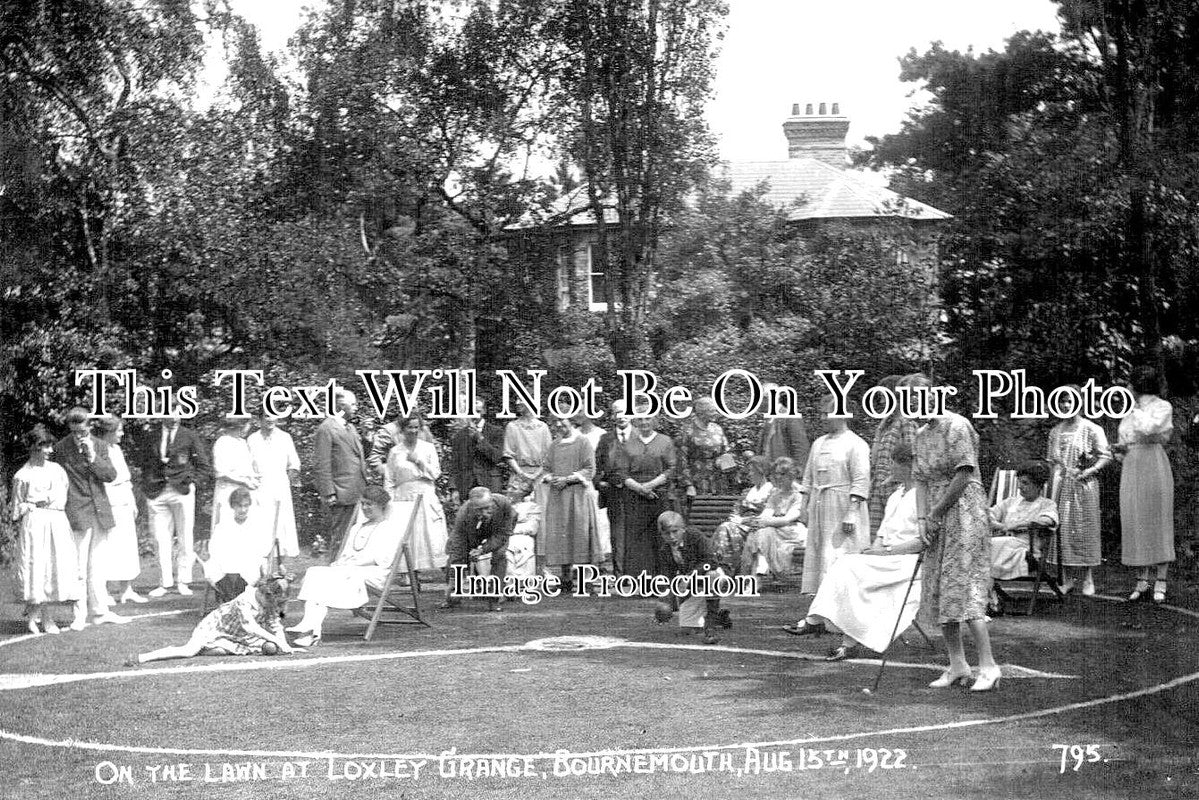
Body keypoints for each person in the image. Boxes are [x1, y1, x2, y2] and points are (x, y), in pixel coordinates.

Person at [784, 442, 924, 660]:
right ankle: (843, 640)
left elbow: (921, 543)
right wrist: (873, 552)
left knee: (849, 567)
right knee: (847, 565)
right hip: (887, 560)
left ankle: (816, 622)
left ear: (908, 465)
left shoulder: (922, 496)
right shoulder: (896, 496)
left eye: (894, 463)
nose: (890, 468)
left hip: (908, 563)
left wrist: (885, 553)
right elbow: (882, 534)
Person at [909, 374, 1001, 692]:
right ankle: (958, 664)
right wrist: (922, 519)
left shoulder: (956, 425)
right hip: (936, 514)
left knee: (965, 586)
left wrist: (935, 513)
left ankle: (988, 666)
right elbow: (920, 480)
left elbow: (964, 474)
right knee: (939, 587)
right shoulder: (920, 435)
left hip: (964, 511)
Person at [286, 487, 404, 644]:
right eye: (363, 503)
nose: (365, 508)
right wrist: (341, 563)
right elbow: (345, 555)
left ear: (381, 506)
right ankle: (310, 632)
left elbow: (384, 560)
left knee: (332, 578)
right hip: (349, 569)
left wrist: (350, 564)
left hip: (374, 572)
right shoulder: (357, 527)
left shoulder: (390, 529)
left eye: (369, 504)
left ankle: (308, 630)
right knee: (314, 572)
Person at [54, 407, 128, 628]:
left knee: (98, 566)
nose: (78, 436)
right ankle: (79, 615)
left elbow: (110, 475)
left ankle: (100, 612)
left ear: (89, 426)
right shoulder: (60, 449)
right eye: (74, 431)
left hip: (100, 512)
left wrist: (93, 456)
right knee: (78, 568)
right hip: (77, 512)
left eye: (82, 431)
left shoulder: (101, 445)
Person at [130, 574, 295, 664]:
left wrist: (284, 644)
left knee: (226, 651)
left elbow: (275, 624)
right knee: (188, 651)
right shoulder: (244, 600)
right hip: (213, 627)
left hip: (237, 635)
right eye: (271, 601)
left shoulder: (268, 601)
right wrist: (277, 641)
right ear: (263, 593)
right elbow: (250, 627)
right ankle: (143, 657)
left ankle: (208, 647)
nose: (272, 605)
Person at [797, 396, 871, 595]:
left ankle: (842, 603)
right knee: (820, 552)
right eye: (821, 413)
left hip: (843, 506)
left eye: (827, 414)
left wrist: (852, 513)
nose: (822, 418)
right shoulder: (818, 443)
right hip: (819, 505)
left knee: (839, 553)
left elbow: (861, 480)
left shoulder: (856, 444)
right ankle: (818, 605)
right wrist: (803, 507)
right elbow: (808, 478)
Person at [1114, 366, 1175, 604]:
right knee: (1135, 520)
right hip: (1133, 465)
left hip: (1153, 463)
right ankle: (1142, 579)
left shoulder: (1162, 407)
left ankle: (1161, 579)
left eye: (1131, 383)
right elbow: (1127, 439)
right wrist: (1120, 450)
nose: (1128, 387)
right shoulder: (1131, 410)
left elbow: (1149, 428)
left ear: (1139, 385)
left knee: (1157, 519)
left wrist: (1135, 410)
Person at [11, 425, 80, 634]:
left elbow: (63, 495)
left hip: (57, 521)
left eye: (50, 446)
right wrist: (30, 505)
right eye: (45, 446)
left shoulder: (57, 470)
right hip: (35, 524)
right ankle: (41, 616)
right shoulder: (22, 476)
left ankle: (48, 614)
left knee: (55, 567)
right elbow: (16, 509)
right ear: (34, 447)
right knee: (38, 568)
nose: (50, 450)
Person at [1045, 394, 1111, 595]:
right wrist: (1051, 489)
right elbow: (1052, 462)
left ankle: (1088, 578)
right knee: (1062, 529)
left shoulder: (1092, 428)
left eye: (1070, 401)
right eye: (1062, 401)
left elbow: (1105, 456)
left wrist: (1090, 470)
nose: (1066, 405)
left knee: (1085, 529)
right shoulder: (1055, 431)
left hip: (1084, 485)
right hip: (1061, 485)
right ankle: (1066, 579)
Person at [142, 413, 209, 598]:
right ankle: (164, 583)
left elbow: (203, 464)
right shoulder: (152, 435)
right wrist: (147, 483)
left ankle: (183, 581)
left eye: (178, 414)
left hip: (182, 491)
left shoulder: (189, 435)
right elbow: (144, 463)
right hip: (156, 491)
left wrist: (193, 482)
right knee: (159, 538)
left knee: (185, 536)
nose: (175, 418)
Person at [613, 411, 677, 576]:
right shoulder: (628, 444)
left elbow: (671, 469)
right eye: (640, 419)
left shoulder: (665, 441)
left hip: (659, 493)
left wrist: (650, 485)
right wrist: (640, 488)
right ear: (635, 421)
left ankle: (662, 577)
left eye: (647, 418)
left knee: (661, 535)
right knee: (637, 538)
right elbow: (622, 472)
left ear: (654, 420)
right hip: (634, 496)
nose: (644, 422)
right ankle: (640, 578)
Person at [539, 416, 601, 583]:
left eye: (563, 421)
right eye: (556, 422)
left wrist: (567, 479)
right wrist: (551, 478)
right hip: (558, 496)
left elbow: (590, 469)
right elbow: (546, 468)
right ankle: (565, 579)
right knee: (561, 534)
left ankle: (584, 580)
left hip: (578, 495)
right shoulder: (554, 445)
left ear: (572, 421)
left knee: (580, 533)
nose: (559, 425)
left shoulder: (583, 442)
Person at [655, 512, 732, 645]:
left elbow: (711, 561)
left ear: (683, 529)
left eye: (675, 531)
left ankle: (710, 625)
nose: (671, 537)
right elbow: (669, 578)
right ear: (661, 534)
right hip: (694, 584)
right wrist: (666, 602)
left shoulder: (695, 536)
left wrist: (690, 576)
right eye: (667, 533)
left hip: (716, 574)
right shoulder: (665, 551)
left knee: (712, 575)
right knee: (687, 629)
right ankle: (720, 618)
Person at [988, 461, 1060, 601]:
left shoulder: (1046, 504)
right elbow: (989, 514)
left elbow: (1048, 520)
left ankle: (989, 596)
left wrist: (1017, 525)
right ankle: (990, 595)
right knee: (987, 544)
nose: (1020, 486)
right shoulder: (1011, 502)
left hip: (1026, 552)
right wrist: (999, 525)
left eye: (1025, 483)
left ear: (1038, 485)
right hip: (1004, 547)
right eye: (1019, 482)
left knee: (989, 546)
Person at [384, 413, 447, 571]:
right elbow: (389, 479)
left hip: (424, 493)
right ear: (402, 429)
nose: (413, 431)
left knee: (427, 531)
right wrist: (389, 501)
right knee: (406, 531)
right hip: (403, 496)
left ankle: (430, 566)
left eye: (416, 427)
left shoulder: (428, 448)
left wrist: (419, 461)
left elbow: (436, 473)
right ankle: (406, 570)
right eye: (409, 427)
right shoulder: (395, 451)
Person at [92, 417, 145, 605]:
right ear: (109, 432)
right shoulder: (99, 450)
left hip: (124, 501)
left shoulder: (117, 449)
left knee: (127, 545)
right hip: (110, 502)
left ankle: (126, 589)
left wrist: (132, 502)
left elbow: (125, 479)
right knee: (108, 547)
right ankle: (104, 591)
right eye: (119, 430)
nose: (121, 434)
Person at [313, 389, 369, 559]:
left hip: (357, 490)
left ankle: (348, 568)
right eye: (353, 404)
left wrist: (367, 438)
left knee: (355, 536)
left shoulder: (350, 427)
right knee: (340, 536)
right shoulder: (326, 429)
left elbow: (358, 456)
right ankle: (334, 566)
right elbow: (322, 463)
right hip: (340, 492)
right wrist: (328, 492)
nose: (356, 407)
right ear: (340, 406)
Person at [442, 487, 516, 612]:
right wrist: (454, 578)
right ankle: (454, 593)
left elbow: (502, 535)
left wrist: (483, 549)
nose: (484, 512)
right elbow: (459, 548)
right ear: (472, 506)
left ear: (492, 501)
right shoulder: (463, 515)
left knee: (499, 554)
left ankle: (495, 596)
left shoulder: (504, 504)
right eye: (479, 510)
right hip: (471, 533)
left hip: (498, 530)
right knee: (456, 558)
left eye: (487, 508)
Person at [739, 458, 806, 585]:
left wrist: (764, 523)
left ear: (791, 475)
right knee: (761, 532)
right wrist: (754, 521)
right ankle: (757, 576)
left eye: (782, 474)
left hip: (792, 531)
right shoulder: (776, 493)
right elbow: (766, 514)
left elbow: (787, 519)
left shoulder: (800, 494)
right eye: (776, 474)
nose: (778, 477)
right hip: (775, 530)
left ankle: (755, 579)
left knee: (763, 533)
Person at [247, 413, 301, 563]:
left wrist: (288, 479)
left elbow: (294, 463)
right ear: (260, 419)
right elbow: (248, 464)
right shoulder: (252, 439)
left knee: (281, 524)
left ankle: (280, 563)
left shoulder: (285, 437)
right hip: (259, 487)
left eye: (273, 416)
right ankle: (262, 563)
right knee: (261, 523)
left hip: (280, 486)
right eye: (266, 416)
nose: (270, 419)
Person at [868, 375, 918, 538]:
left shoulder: (906, 422)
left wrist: (892, 479)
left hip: (895, 487)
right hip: (879, 488)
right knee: (875, 535)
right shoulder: (886, 427)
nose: (882, 402)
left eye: (884, 396)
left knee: (893, 534)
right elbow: (874, 460)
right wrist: (879, 431)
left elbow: (911, 456)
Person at [711, 455, 774, 574]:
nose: (749, 474)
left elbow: (767, 515)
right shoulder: (748, 491)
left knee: (725, 528)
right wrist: (736, 517)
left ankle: (724, 569)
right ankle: (724, 568)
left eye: (752, 471)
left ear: (761, 471)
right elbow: (737, 509)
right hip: (742, 525)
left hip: (757, 526)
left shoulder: (771, 490)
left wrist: (743, 519)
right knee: (725, 527)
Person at [203, 487, 275, 589]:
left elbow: (264, 549)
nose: (243, 510)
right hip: (226, 563)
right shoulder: (223, 526)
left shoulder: (257, 525)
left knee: (247, 569)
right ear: (233, 506)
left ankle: (232, 594)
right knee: (215, 568)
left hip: (248, 563)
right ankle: (231, 593)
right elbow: (214, 549)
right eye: (239, 506)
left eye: (246, 506)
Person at [594, 400, 633, 574]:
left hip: (637, 492)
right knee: (617, 534)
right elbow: (596, 466)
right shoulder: (606, 439)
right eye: (617, 413)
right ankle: (619, 574)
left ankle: (637, 572)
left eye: (624, 412)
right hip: (614, 493)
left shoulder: (641, 436)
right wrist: (599, 482)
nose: (621, 416)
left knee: (637, 532)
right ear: (612, 416)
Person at [675, 396, 734, 502]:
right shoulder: (687, 431)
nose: (715, 413)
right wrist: (688, 485)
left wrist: (725, 462)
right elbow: (681, 461)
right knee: (698, 510)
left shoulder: (717, 428)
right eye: (712, 411)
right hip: (696, 482)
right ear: (701, 413)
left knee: (718, 509)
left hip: (717, 481)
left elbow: (725, 451)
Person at [576, 411, 613, 571]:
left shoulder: (601, 434)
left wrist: (599, 481)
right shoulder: (573, 434)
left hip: (595, 485)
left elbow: (605, 462)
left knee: (599, 522)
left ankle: (600, 561)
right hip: (576, 483)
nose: (577, 414)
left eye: (580, 411)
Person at [448, 399, 506, 499]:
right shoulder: (459, 435)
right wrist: (454, 489)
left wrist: (480, 439)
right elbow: (455, 464)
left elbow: (496, 457)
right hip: (466, 486)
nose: (474, 415)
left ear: (484, 411)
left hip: (490, 483)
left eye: (478, 411)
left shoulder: (496, 432)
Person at [211, 417, 259, 526]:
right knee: (227, 521)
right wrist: (243, 481)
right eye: (246, 425)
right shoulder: (222, 442)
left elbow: (247, 467)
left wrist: (253, 477)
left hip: (244, 491)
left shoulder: (242, 442)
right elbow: (220, 472)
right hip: (228, 489)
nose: (247, 428)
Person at [503, 401, 552, 499]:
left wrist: (537, 475)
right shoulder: (512, 426)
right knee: (516, 505)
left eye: (521, 400)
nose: (517, 403)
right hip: (519, 474)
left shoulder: (543, 427)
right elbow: (508, 454)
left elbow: (549, 455)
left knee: (541, 505)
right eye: (517, 400)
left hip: (540, 474)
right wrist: (521, 474)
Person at [757, 382, 810, 470]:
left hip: (785, 473)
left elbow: (800, 449)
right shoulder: (769, 419)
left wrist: (798, 474)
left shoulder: (790, 417)